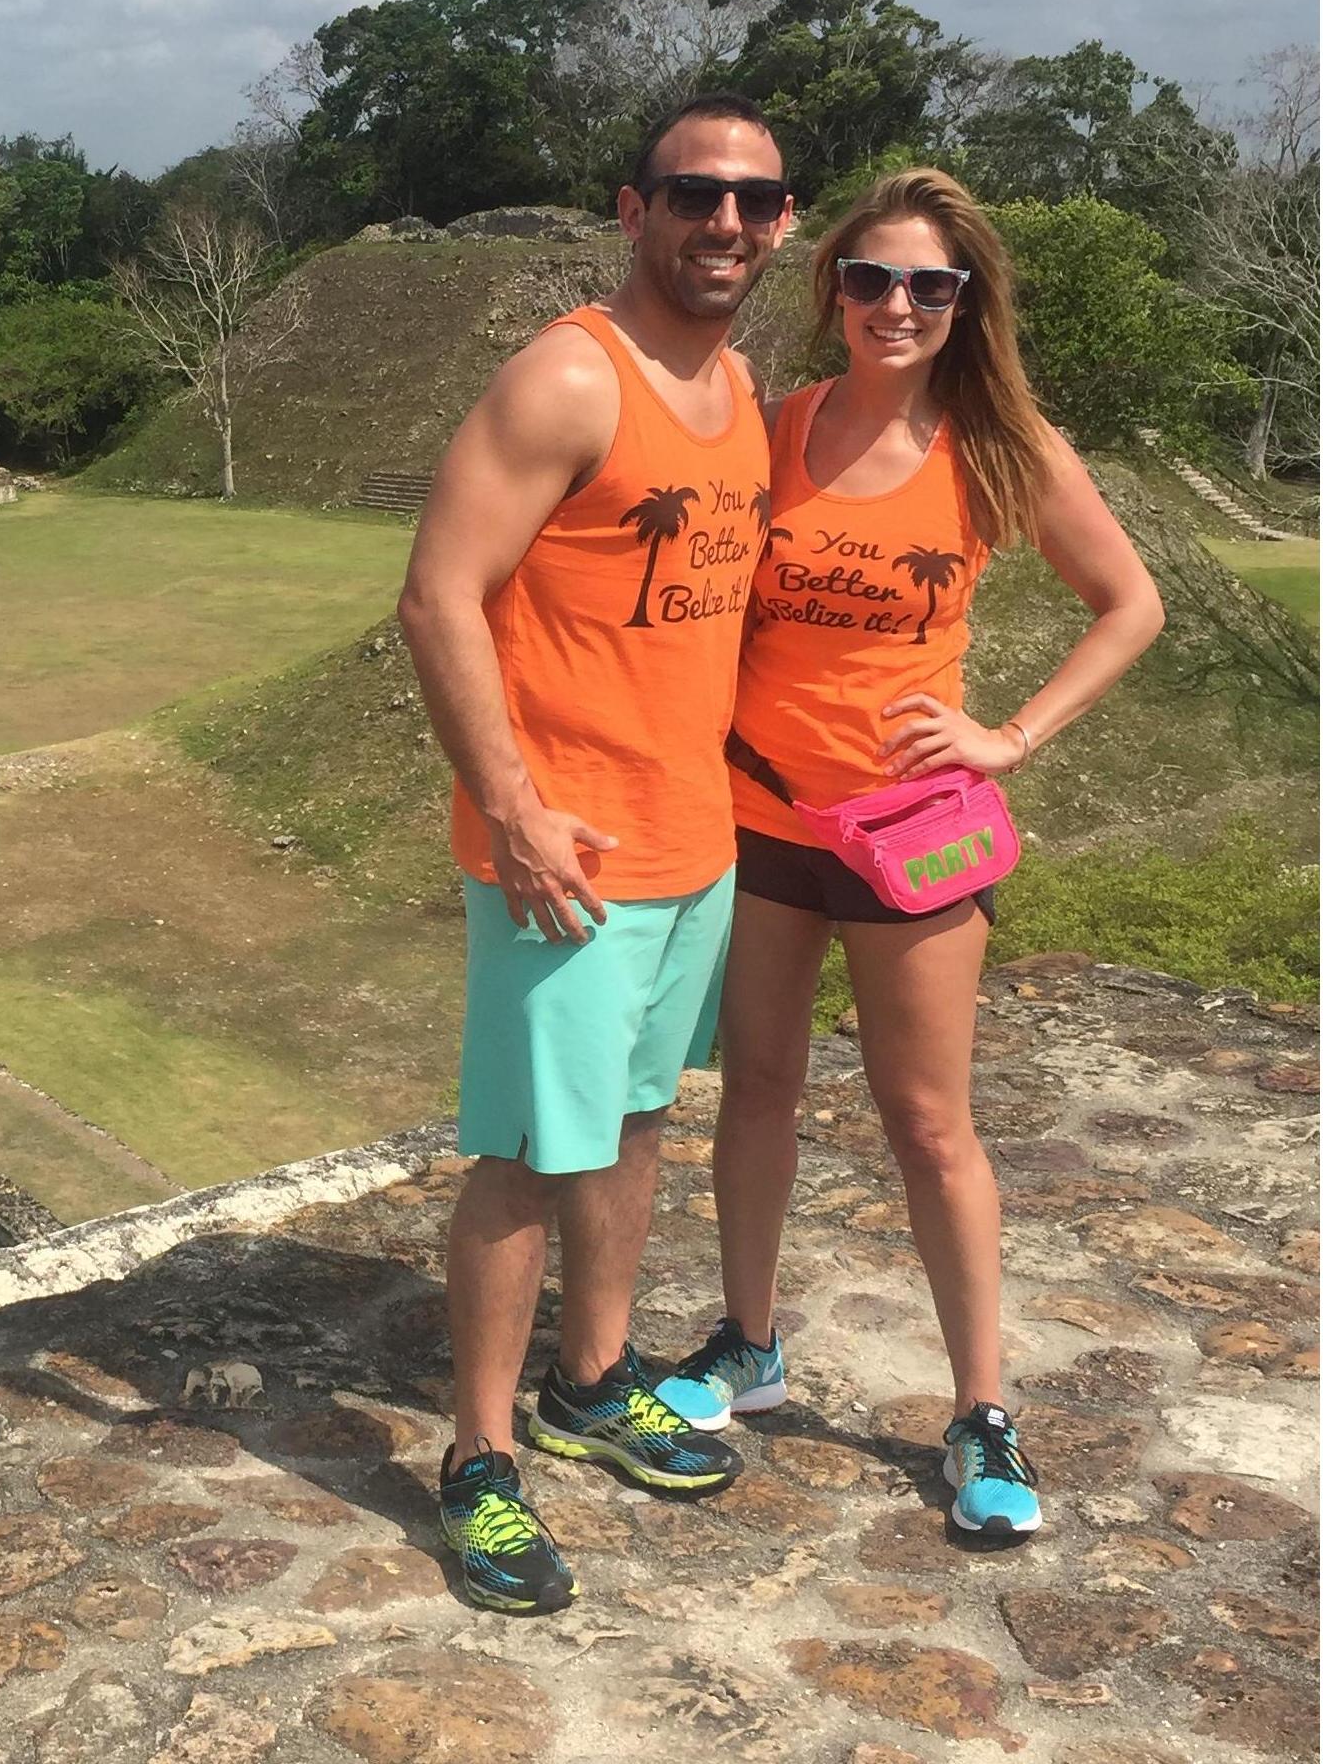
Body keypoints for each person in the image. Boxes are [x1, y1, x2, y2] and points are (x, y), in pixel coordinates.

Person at [652, 167, 1164, 1543]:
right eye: (872, 278)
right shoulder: (780, 429)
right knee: (755, 1087)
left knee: (929, 1123)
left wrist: (1013, 735)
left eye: (930, 284)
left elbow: (1130, 603)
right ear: (831, 292)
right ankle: (747, 1345)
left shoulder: (1001, 451)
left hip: (913, 839)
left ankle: (981, 1410)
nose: (898, 305)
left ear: (964, 302)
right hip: (763, 815)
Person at [397, 94, 795, 1615]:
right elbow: (440, 598)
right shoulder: (572, 378)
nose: (728, 225)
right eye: (696, 194)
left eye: (757, 201)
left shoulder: (738, 381)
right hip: (562, 848)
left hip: (691, 834)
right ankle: (479, 1459)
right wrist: (509, 806)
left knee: (631, 1120)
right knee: (521, 1151)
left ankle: (594, 1375)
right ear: (634, 211)